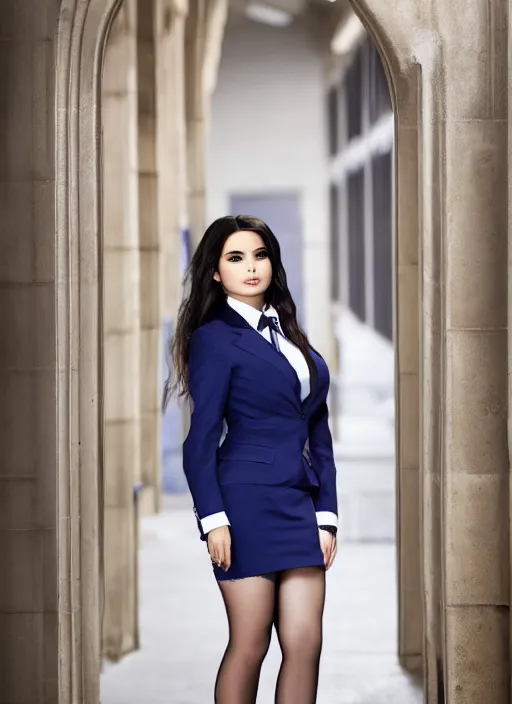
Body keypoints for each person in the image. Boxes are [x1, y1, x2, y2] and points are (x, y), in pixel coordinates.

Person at [164, 215, 338, 703]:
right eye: (235, 258)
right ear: (216, 273)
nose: (251, 267)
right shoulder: (214, 338)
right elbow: (200, 439)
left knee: (306, 641)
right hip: (243, 505)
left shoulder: (289, 331)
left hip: (299, 505)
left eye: (259, 255)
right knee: (251, 642)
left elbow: (318, 433)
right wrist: (213, 519)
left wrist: (327, 514)